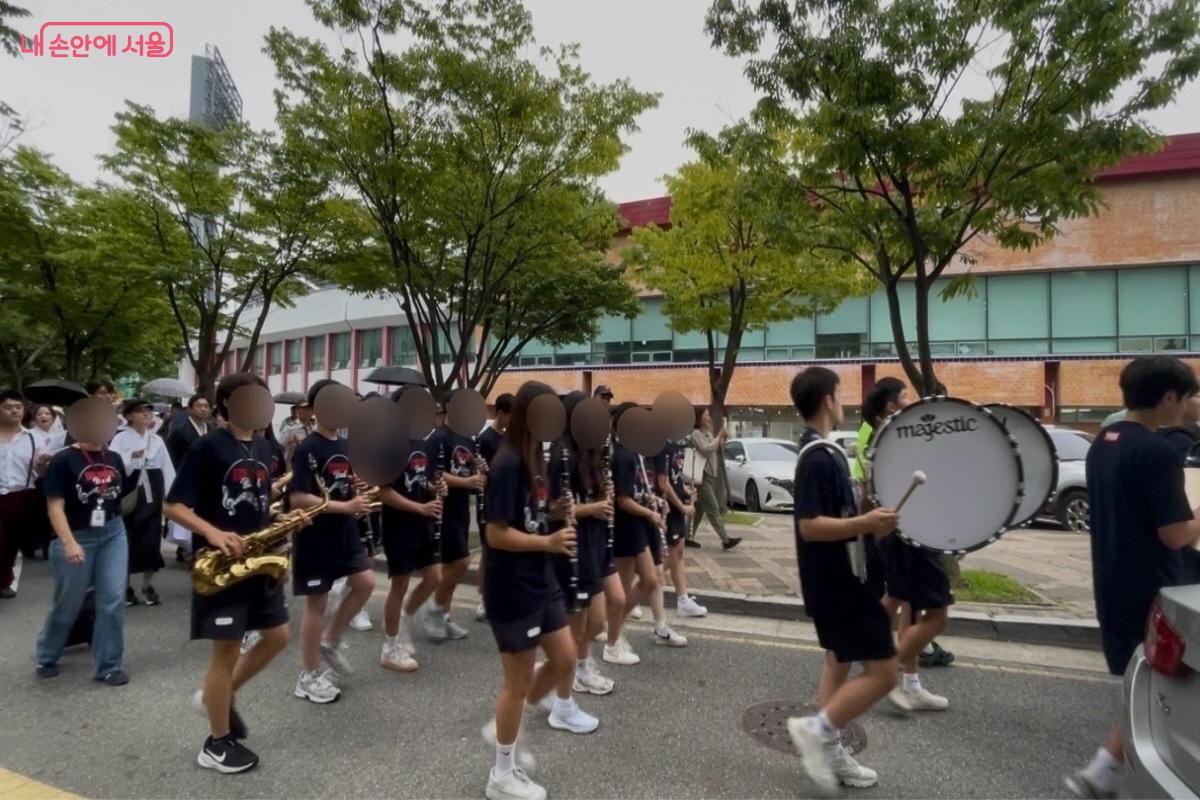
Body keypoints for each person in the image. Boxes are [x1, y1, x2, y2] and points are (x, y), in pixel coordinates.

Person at [1064, 355, 1200, 800]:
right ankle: (1110, 769)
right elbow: (1176, 533)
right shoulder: (1158, 452)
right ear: (1168, 397)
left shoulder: (1105, 442)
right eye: (1189, 396)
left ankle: (1106, 767)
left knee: (1143, 678)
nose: (1191, 405)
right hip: (1156, 584)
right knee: (1162, 682)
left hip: (1114, 577)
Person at [165, 373, 289, 775]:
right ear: (226, 404)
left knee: (277, 636)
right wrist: (214, 533)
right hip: (219, 564)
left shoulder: (266, 447)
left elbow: (257, 500)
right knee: (226, 652)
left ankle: (217, 696)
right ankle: (216, 743)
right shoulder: (207, 446)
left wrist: (281, 522)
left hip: (258, 558)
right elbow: (175, 506)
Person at [786, 366, 900, 792]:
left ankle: (827, 746)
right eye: (840, 393)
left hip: (834, 580)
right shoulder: (817, 457)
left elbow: (840, 518)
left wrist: (869, 522)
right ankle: (818, 731)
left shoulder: (826, 451)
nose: (845, 401)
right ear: (827, 400)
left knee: (839, 658)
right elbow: (810, 526)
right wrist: (865, 522)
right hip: (839, 583)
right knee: (886, 673)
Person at [481, 381, 595, 800]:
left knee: (565, 659)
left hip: (541, 579)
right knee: (516, 681)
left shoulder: (538, 459)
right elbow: (495, 533)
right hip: (511, 585)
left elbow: (527, 515)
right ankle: (502, 774)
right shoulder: (507, 462)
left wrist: (554, 512)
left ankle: (507, 724)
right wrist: (548, 541)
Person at [289, 379, 375, 704]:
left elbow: (341, 484)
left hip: (345, 532)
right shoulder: (308, 447)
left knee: (366, 582)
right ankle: (307, 676)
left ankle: (330, 640)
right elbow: (298, 497)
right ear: (315, 409)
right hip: (315, 535)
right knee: (317, 604)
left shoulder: (345, 444)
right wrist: (345, 506)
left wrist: (358, 490)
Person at [35, 401, 132, 685]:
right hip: (76, 535)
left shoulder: (113, 457)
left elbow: (118, 494)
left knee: (112, 600)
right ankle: (47, 654)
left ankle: (109, 665)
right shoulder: (63, 460)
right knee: (68, 602)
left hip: (114, 533)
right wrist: (69, 543)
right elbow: (55, 506)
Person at [550, 392, 616, 696]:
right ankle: (574, 668)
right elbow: (552, 510)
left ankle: (570, 663)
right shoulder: (561, 456)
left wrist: (606, 497)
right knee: (579, 620)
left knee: (597, 621)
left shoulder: (593, 453)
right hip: (574, 545)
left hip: (596, 543)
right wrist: (592, 509)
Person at [378, 386, 446, 673]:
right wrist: (420, 508)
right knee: (400, 584)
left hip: (422, 521)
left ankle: (404, 619)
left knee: (434, 577)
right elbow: (384, 491)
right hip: (399, 524)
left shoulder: (421, 442)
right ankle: (390, 647)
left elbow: (420, 479)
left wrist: (436, 487)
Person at [602, 402, 663, 666]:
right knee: (625, 587)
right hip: (627, 527)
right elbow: (622, 500)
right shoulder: (623, 456)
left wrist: (652, 500)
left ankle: (613, 628)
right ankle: (612, 642)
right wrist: (649, 513)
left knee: (650, 579)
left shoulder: (635, 454)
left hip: (638, 526)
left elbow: (636, 492)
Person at [423, 390, 485, 641]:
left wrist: (479, 472)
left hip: (461, 508)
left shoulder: (468, 439)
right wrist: (468, 480)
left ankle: (444, 616)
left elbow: (471, 472)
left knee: (454, 565)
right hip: (443, 509)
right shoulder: (438, 438)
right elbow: (435, 475)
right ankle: (434, 607)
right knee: (460, 563)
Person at [111, 399, 176, 608]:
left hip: (153, 493)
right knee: (128, 538)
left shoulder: (156, 440)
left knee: (151, 539)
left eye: (149, 412)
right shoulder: (120, 439)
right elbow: (114, 466)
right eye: (141, 412)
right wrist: (131, 457)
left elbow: (167, 468)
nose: (147, 416)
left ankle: (148, 585)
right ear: (129, 416)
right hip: (131, 491)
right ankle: (126, 586)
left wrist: (172, 495)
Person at [0, 390, 50, 599]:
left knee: (11, 542)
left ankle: (4, 580)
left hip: (21, 496)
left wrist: (42, 465)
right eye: (8, 407)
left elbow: (40, 473)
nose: (14, 411)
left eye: (18, 407)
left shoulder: (33, 439)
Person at [654, 436, 707, 619]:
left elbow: (674, 478)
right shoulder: (660, 444)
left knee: (678, 551)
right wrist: (682, 506)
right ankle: (643, 583)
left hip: (675, 507)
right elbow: (663, 483)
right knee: (669, 553)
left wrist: (685, 490)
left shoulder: (676, 443)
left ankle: (682, 599)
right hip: (666, 507)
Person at [475, 392, 514, 621]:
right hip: (489, 501)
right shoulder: (486, 439)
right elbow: (480, 473)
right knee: (487, 552)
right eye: (511, 415)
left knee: (501, 554)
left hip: (505, 502)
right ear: (501, 413)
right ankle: (483, 599)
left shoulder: (509, 439)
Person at [687, 407, 740, 550]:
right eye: (706, 414)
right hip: (702, 477)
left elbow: (717, 448)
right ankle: (725, 539)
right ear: (699, 418)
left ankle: (687, 537)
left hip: (710, 476)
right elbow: (706, 449)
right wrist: (718, 437)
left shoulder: (708, 434)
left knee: (698, 510)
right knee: (713, 508)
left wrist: (723, 437)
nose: (709, 416)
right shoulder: (696, 434)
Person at [166, 395, 214, 467]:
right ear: (190, 409)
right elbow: (171, 457)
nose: (203, 409)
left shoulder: (213, 431)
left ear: (210, 410)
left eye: (206, 406)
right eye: (199, 406)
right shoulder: (179, 431)